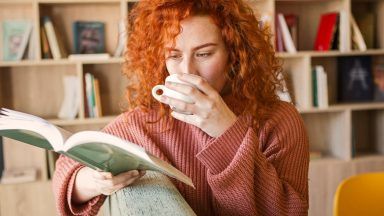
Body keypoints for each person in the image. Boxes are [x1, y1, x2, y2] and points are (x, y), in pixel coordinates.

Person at [52, 0, 309, 215]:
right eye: (174, 56)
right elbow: (68, 169)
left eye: (204, 54)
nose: (187, 71)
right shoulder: (145, 120)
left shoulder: (278, 120)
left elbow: (288, 211)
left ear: (234, 54)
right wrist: (94, 181)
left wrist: (227, 130)